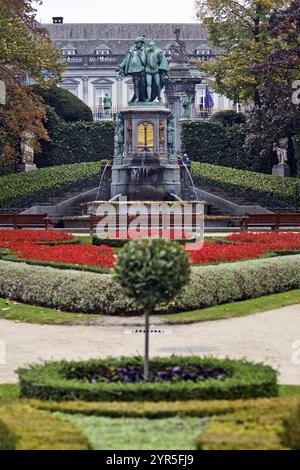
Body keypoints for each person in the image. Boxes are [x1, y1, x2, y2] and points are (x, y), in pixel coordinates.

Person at [116, 37, 146, 102]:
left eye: (139, 43)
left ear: (141, 43)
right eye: (137, 43)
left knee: (143, 83)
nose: (137, 44)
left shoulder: (144, 50)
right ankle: (137, 98)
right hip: (134, 70)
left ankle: (143, 97)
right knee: (136, 84)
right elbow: (126, 60)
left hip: (142, 69)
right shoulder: (131, 51)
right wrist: (120, 66)